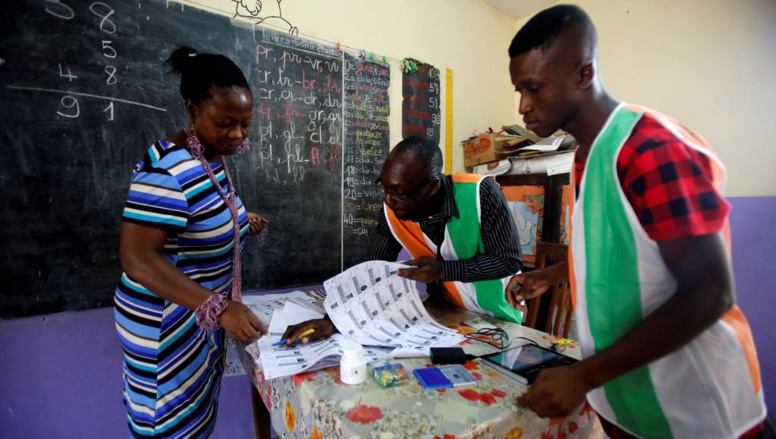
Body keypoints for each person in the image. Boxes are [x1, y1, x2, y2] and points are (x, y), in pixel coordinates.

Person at [505, 5, 766, 438]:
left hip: (697, 411)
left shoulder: (649, 148)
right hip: (631, 406)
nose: (522, 107)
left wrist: (584, 375)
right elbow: (618, 250)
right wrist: (551, 275)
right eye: (518, 89)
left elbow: (709, 294)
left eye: (533, 88)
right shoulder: (586, 155)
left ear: (583, 74)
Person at [114, 46, 269, 439]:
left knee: (194, 426)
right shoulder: (165, 170)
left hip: (197, 321)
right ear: (191, 110)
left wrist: (239, 223)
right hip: (166, 329)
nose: (237, 134)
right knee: (167, 428)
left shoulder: (208, 154)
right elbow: (137, 256)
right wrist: (217, 307)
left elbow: (194, 216)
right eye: (225, 123)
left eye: (245, 124)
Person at [280, 135, 524, 345]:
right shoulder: (391, 211)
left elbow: (508, 261)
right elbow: (373, 273)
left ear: (433, 187)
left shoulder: (481, 193)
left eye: (399, 194)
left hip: (497, 320)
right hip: (446, 317)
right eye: (384, 189)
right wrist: (332, 321)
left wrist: (443, 271)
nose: (388, 200)